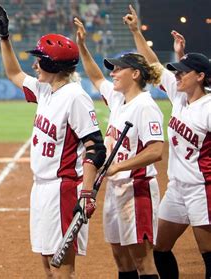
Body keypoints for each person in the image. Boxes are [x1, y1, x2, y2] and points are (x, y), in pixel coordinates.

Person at [0, 4, 106, 278]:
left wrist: (87, 193)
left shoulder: (75, 97)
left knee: (61, 268)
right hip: (42, 188)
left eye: (39, 60)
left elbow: (95, 147)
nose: (34, 65)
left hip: (63, 189)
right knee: (48, 265)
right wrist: (4, 38)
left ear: (53, 65)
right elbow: (13, 73)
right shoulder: (46, 89)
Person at [123, 5, 211, 279]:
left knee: (208, 255)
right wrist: (136, 31)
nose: (176, 76)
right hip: (177, 188)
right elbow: (154, 66)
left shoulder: (208, 107)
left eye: (183, 71)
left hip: (202, 189)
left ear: (200, 76)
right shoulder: (180, 96)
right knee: (160, 250)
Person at [74, 16, 164, 279]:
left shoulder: (146, 106)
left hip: (137, 190)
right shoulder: (119, 99)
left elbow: (156, 150)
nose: (112, 73)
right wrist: (82, 46)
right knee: (120, 258)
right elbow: (95, 75)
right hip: (116, 189)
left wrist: (118, 166)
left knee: (142, 261)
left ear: (135, 74)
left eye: (118, 69)